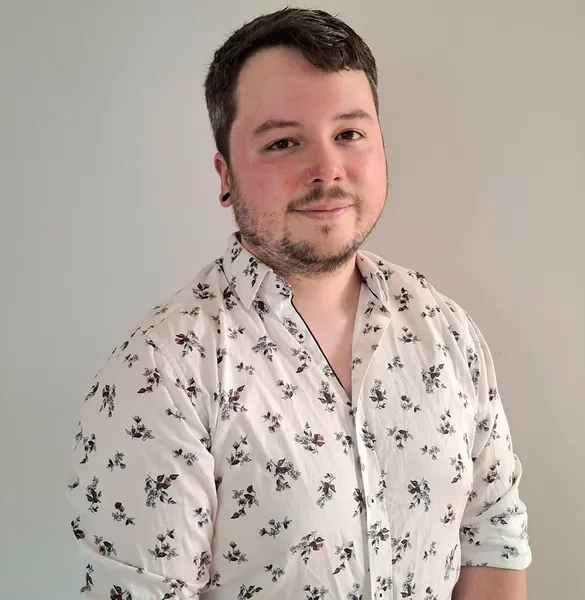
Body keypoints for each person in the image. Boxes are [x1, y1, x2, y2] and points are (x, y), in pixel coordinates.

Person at [66, 7, 531, 600]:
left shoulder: (446, 330)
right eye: (283, 142)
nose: (327, 169)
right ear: (225, 175)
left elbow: (492, 535)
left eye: (349, 134)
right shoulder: (161, 373)